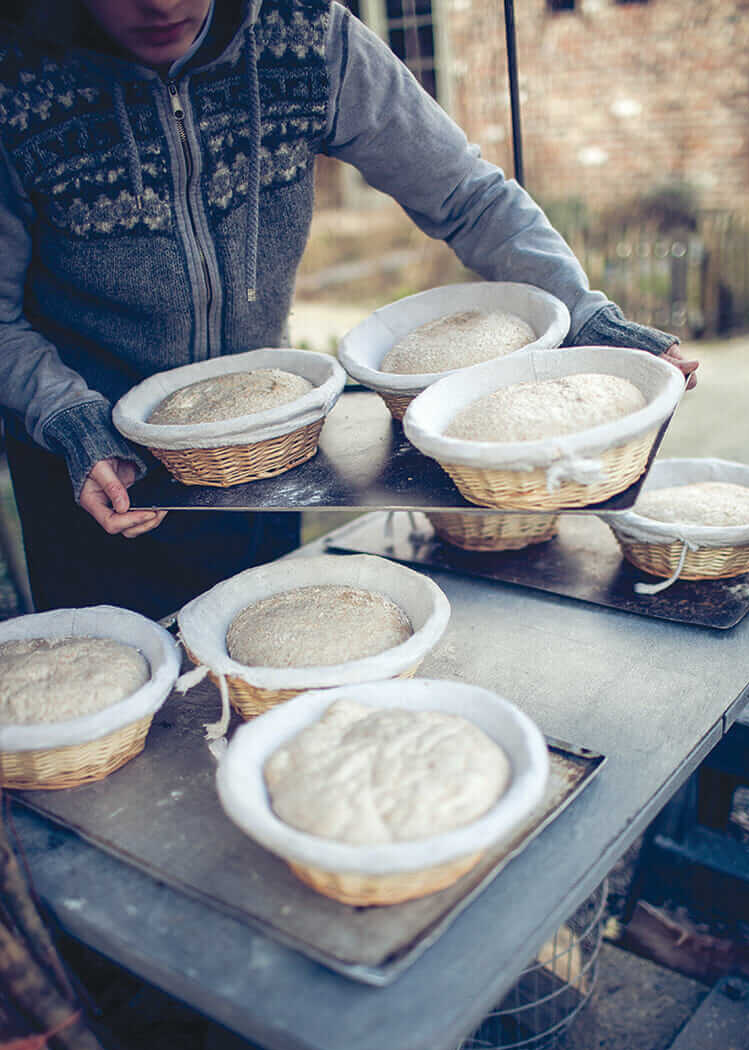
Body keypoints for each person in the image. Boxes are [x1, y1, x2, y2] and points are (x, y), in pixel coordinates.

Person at [0, 0, 699, 619]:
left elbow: (468, 197)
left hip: (266, 444)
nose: (160, 4)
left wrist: (580, 314)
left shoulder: (306, 35)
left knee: (269, 656)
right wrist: (67, 419)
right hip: (93, 469)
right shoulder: (15, 75)